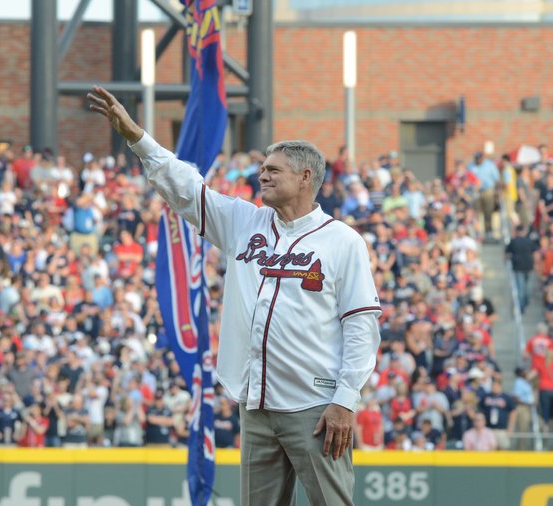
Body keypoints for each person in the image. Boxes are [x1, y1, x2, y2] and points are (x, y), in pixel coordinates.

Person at [88, 86, 381, 506]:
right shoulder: (245, 222)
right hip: (256, 404)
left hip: (315, 408)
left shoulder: (342, 241)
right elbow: (187, 188)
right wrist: (137, 137)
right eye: (262, 168)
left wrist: (345, 401)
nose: (262, 175)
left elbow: (361, 326)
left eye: (274, 169)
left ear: (306, 178)